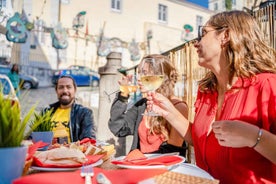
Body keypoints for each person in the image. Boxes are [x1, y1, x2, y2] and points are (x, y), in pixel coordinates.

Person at [146, 10, 276, 183]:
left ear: (226, 35)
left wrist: (254, 137)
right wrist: (168, 111)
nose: (196, 43)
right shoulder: (206, 91)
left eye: (203, 33)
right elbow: (200, 140)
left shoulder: (267, 85)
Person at [108, 54, 189, 157]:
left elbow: (173, 151)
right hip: (141, 168)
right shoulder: (142, 105)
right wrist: (123, 94)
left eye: (144, 73)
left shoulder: (178, 107)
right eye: (139, 73)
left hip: (167, 170)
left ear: (160, 77)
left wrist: (141, 158)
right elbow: (118, 128)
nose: (139, 78)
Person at [42, 75, 96, 143]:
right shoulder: (46, 112)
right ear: (56, 90)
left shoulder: (84, 113)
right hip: (46, 152)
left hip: (72, 152)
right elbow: (33, 136)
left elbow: (88, 139)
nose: (65, 91)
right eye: (61, 87)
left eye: (68, 87)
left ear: (75, 90)